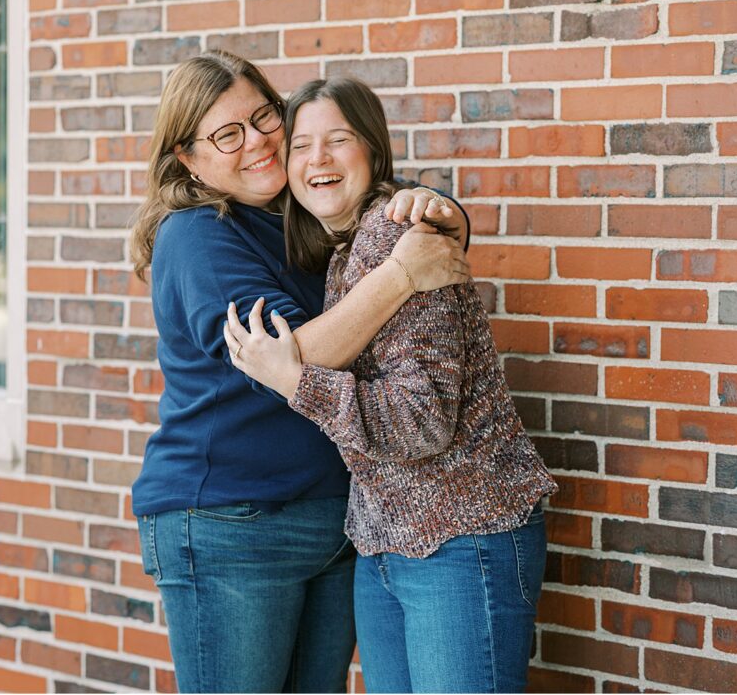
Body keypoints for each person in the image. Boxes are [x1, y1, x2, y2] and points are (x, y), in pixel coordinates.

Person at [128, 51, 471, 694]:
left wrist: (440, 212)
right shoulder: (198, 235)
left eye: (264, 116)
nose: (257, 141)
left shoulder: (299, 215)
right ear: (187, 158)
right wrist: (401, 275)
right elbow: (297, 354)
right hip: (230, 522)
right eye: (227, 134)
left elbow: (382, 207)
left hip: (331, 520)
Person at [223, 77, 558, 694]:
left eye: (338, 140)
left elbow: (421, 420)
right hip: (384, 544)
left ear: (374, 152)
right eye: (300, 145)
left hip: (463, 536)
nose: (316, 159)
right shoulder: (339, 253)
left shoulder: (394, 235)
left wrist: (296, 380)